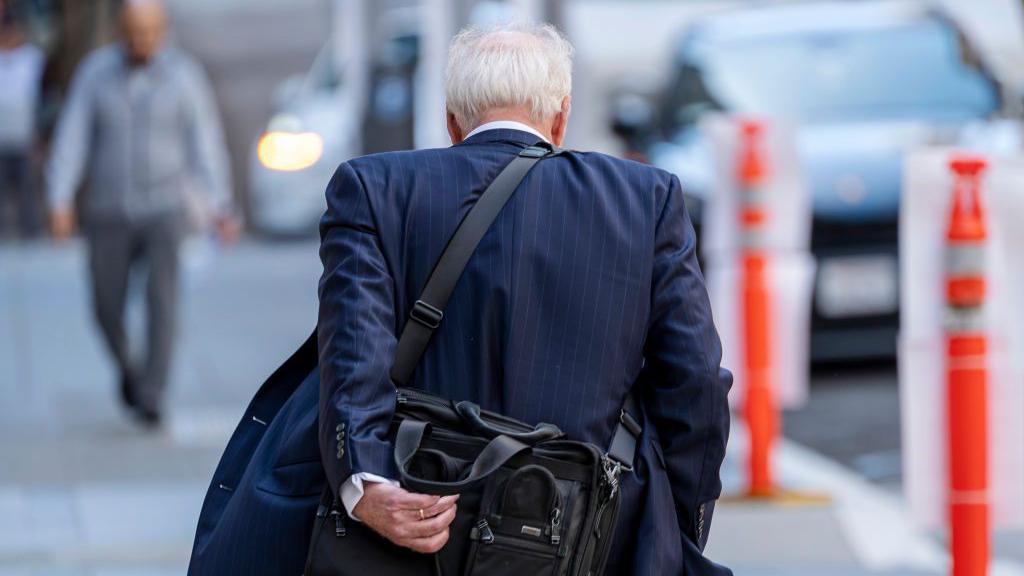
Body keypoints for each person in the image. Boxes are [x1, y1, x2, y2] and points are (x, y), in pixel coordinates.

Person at [188, 22, 731, 576]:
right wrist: (679, 524)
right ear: (561, 117)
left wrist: (368, 487)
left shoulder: (375, 188)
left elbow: (353, 358)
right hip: (584, 540)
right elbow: (696, 384)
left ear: (452, 121)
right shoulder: (647, 201)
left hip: (417, 536)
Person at [46, 0, 236, 426]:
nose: (141, 41)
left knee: (162, 303)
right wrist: (59, 198)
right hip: (108, 209)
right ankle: (130, 371)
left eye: (149, 32)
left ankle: (152, 393)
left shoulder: (186, 76)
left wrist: (220, 204)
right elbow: (72, 136)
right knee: (104, 306)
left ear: (163, 30)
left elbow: (204, 143)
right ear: (120, 31)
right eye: (133, 33)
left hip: (165, 208)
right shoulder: (95, 73)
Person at [0, 0, 44, 239]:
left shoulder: (31, 58)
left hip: (24, 139)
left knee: (28, 199)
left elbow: (40, 98)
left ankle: (33, 240)